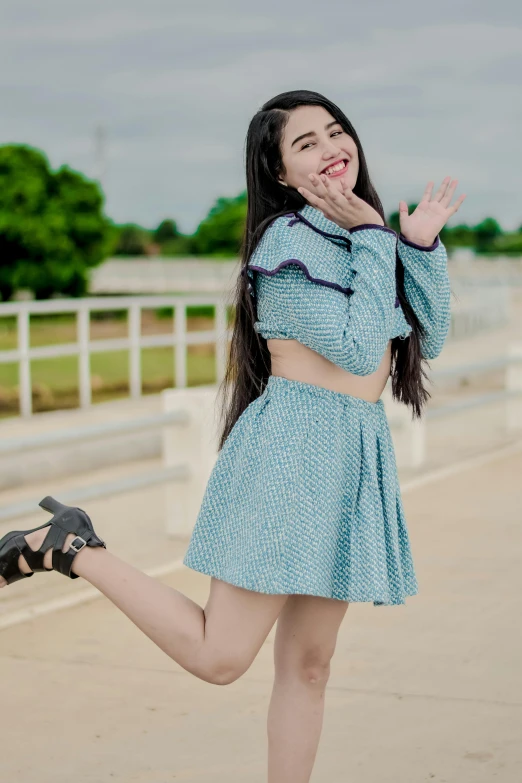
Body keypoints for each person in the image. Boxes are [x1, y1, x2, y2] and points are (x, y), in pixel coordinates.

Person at [0, 89, 465, 782]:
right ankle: (70, 546)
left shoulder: (365, 240)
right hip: (291, 456)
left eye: (336, 132)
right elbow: (358, 346)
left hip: (350, 459)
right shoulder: (287, 245)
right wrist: (376, 237)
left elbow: (431, 334)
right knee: (222, 656)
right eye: (304, 143)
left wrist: (418, 245)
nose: (331, 147)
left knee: (309, 666)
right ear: (280, 174)